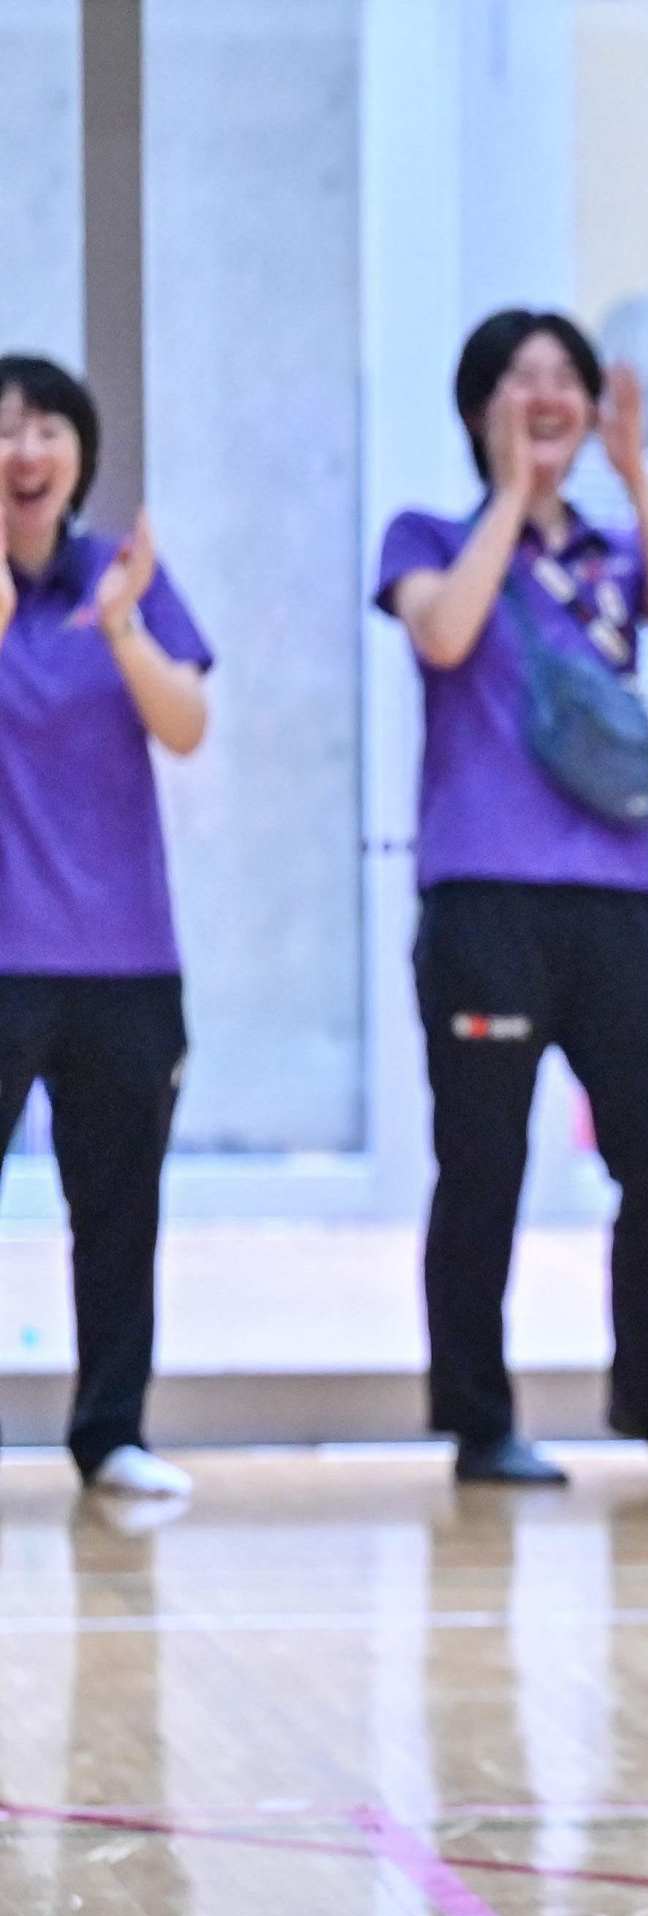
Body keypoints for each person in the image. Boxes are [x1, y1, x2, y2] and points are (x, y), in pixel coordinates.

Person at [375, 307, 648, 1487]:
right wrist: (512, 498)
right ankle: (479, 1421)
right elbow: (445, 633)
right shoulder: (428, 534)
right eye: (520, 379)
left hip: (618, 894)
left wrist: (632, 478)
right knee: (482, 1163)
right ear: (482, 406)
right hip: (484, 898)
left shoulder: (612, 548)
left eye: (565, 377)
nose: (546, 393)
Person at [0, 355, 210, 1503]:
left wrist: (125, 630)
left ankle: (110, 1431)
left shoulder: (123, 578)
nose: (23, 454)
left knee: (118, 1210)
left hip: (124, 957)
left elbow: (186, 725)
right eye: (1, 433)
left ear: (77, 455)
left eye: (45, 431)